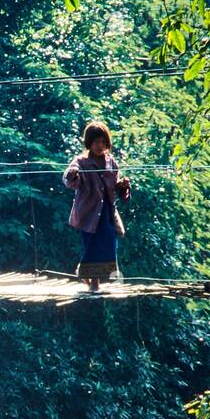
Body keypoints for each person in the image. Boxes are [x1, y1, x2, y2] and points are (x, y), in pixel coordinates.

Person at [63, 120, 131, 292]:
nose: (99, 146)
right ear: (89, 143)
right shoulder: (81, 162)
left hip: (107, 212)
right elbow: (69, 180)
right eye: (95, 142)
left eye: (102, 142)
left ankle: (88, 275)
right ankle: (93, 282)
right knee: (91, 245)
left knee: (109, 241)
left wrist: (122, 186)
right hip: (88, 214)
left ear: (107, 143)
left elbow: (116, 189)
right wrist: (72, 174)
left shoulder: (111, 163)